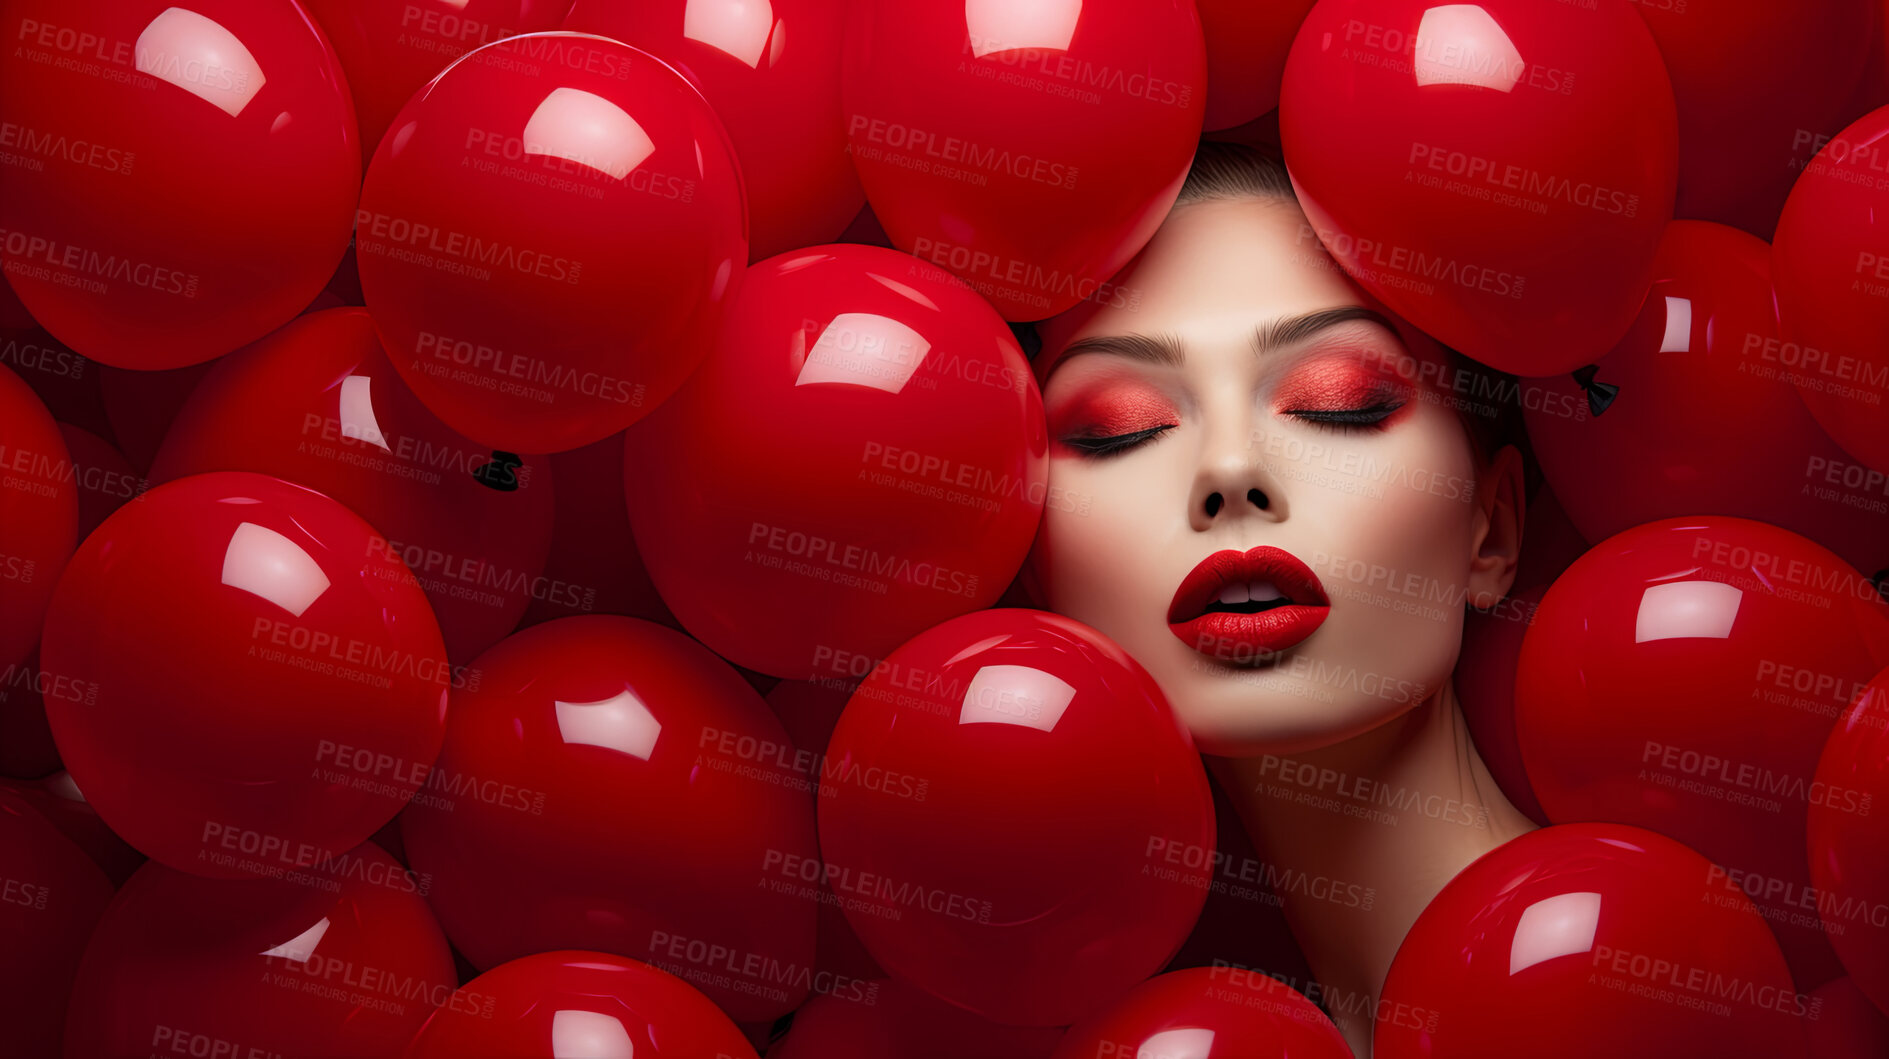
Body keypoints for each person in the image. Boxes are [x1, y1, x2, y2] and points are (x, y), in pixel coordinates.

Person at [1022, 141, 1539, 1055]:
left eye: (1333, 401)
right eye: (1119, 429)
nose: (1229, 471)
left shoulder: (1625, 983)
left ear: (1488, 532)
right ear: (1035, 573)